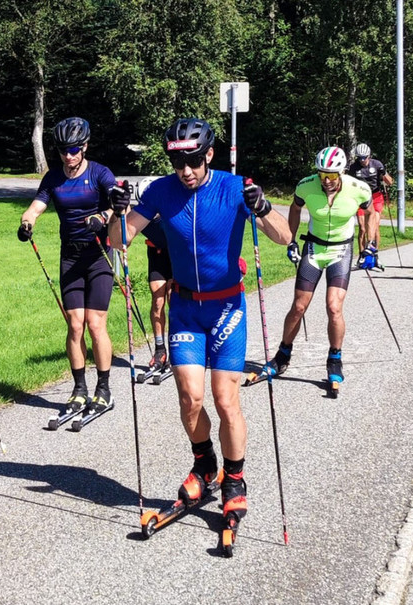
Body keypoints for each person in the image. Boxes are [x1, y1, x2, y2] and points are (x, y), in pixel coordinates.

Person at [108, 117, 291, 540]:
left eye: (192, 160)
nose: (185, 170)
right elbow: (120, 241)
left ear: (208, 154)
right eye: (177, 162)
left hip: (227, 306)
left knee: (226, 401)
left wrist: (262, 206)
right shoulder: (160, 191)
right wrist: (117, 213)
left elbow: (283, 237)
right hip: (186, 308)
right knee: (190, 397)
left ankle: (234, 478)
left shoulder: (232, 187)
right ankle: (205, 464)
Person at [251, 145, 374, 397]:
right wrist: (291, 240)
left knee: (334, 307)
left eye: (331, 176)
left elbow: (370, 213)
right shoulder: (306, 185)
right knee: (299, 306)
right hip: (314, 248)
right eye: (322, 175)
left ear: (342, 172)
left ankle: (334, 359)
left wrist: (369, 244)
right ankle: (282, 355)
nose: (326, 181)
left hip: (341, 250)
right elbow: (295, 209)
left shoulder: (359, 189)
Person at [18, 117, 117, 417]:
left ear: (84, 147)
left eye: (74, 149)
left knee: (96, 324)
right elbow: (37, 206)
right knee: (75, 324)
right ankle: (79, 388)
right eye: (63, 150)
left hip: (99, 254)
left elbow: (117, 204)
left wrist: (103, 217)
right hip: (70, 257)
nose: (69, 156)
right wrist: (27, 221)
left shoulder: (100, 173)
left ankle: (103, 388)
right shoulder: (53, 178)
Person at [136, 178, 173, 373]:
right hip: (157, 255)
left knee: (172, 298)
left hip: (175, 256)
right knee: (157, 301)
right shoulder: (142, 216)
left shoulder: (171, 209)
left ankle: (177, 347)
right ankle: (160, 349)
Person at [347, 142, 392, 269]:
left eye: (365, 157)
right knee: (362, 228)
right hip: (360, 198)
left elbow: (390, 183)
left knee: (375, 226)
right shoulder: (354, 167)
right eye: (359, 158)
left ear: (369, 156)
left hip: (376, 196)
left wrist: (384, 173)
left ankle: (374, 255)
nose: (362, 160)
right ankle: (362, 255)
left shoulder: (377, 164)